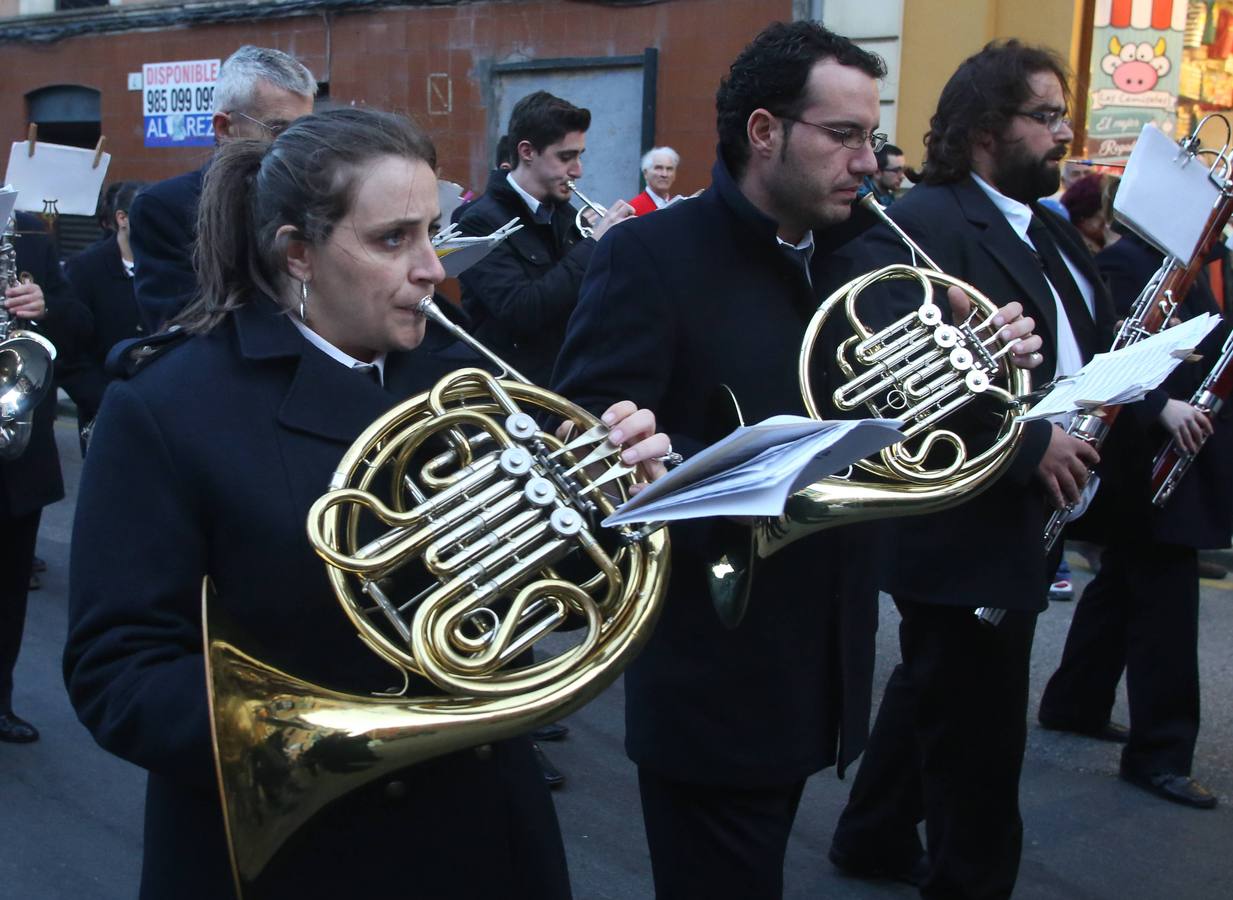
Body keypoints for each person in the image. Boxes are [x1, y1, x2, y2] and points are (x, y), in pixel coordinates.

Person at [62, 107, 669, 899]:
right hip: (307, 852)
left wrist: (606, 508)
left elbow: (544, 598)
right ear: (298, 253)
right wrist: (297, 730)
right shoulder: (169, 407)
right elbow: (118, 671)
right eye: (393, 240)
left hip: (483, 823)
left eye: (432, 231)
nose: (432, 268)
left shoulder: (458, 381)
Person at [552, 23, 1041, 900]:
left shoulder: (866, 256)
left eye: (871, 137)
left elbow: (911, 429)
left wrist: (982, 364)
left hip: (824, 653)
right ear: (765, 132)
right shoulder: (649, 253)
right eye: (844, 136)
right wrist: (682, 459)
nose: (868, 160)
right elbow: (591, 435)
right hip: (713, 664)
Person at [827, 41, 1115, 900]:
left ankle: (871, 834)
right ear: (986, 129)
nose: (1064, 132)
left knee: (937, 691)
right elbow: (887, 375)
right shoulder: (924, 222)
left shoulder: (1049, 220)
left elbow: (1079, 339)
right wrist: (1032, 445)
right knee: (981, 738)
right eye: (1045, 115)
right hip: (962, 511)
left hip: (1022, 507)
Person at [1038, 223, 1230, 809]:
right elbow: (1109, 349)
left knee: (1124, 582)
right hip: (1142, 454)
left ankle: (1075, 702)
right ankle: (1161, 754)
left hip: (1181, 449)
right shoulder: (1130, 260)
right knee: (1166, 600)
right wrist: (1159, 405)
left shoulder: (1202, 257)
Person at [129, 45, 316, 332]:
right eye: (279, 130)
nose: (297, 145)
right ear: (224, 128)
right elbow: (178, 325)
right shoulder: (163, 208)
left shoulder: (316, 197)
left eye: (306, 131)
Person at [456, 90, 634, 386]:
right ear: (527, 152)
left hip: (568, 379)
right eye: (566, 157)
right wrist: (593, 245)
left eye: (579, 156)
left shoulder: (564, 214)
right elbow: (521, 310)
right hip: (514, 393)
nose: (578, 170)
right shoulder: (477, 221)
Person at [1, 212, 85, 743]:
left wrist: (44, 308)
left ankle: (0, 702)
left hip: (15, 458)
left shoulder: (27, 240)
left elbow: (81, 327)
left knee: (8, 593)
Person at [59, 180, 147, 451]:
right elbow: (70, 352)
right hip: (106, 412)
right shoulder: (85, 269)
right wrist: (104, 399)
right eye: (149, 216)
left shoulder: (171, 264)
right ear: (122, 218)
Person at [629, 146, 681, 214]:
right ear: (645, 173)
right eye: (658, 168)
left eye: (669, 169)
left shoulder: (678, 207)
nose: (664, 174)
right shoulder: (633, 209)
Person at [856, 142, 905, 206]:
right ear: (877, 172)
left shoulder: (887, 196)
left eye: (903, 170)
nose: (903, 176)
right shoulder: (862, 198)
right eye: (896, 171)